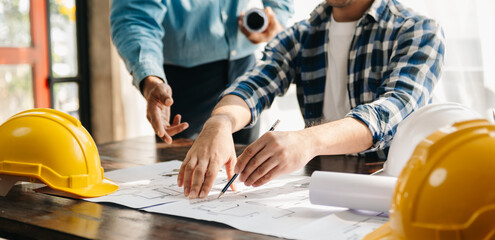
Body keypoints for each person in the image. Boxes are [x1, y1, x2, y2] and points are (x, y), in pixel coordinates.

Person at [178, 0, 445, 199]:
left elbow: (391, 112)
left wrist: (307, 141)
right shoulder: (301, 35)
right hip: (318, 189)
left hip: (396, 189)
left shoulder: (419, 31)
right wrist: (220, 122)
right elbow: (254, 85)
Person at [110, 1, 294, 144]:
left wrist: (274, 22)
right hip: (183, 82)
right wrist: (151, 80)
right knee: (181, 178)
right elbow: (134, 17)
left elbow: (280, 5)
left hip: (245, 70)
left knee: (242, 173)